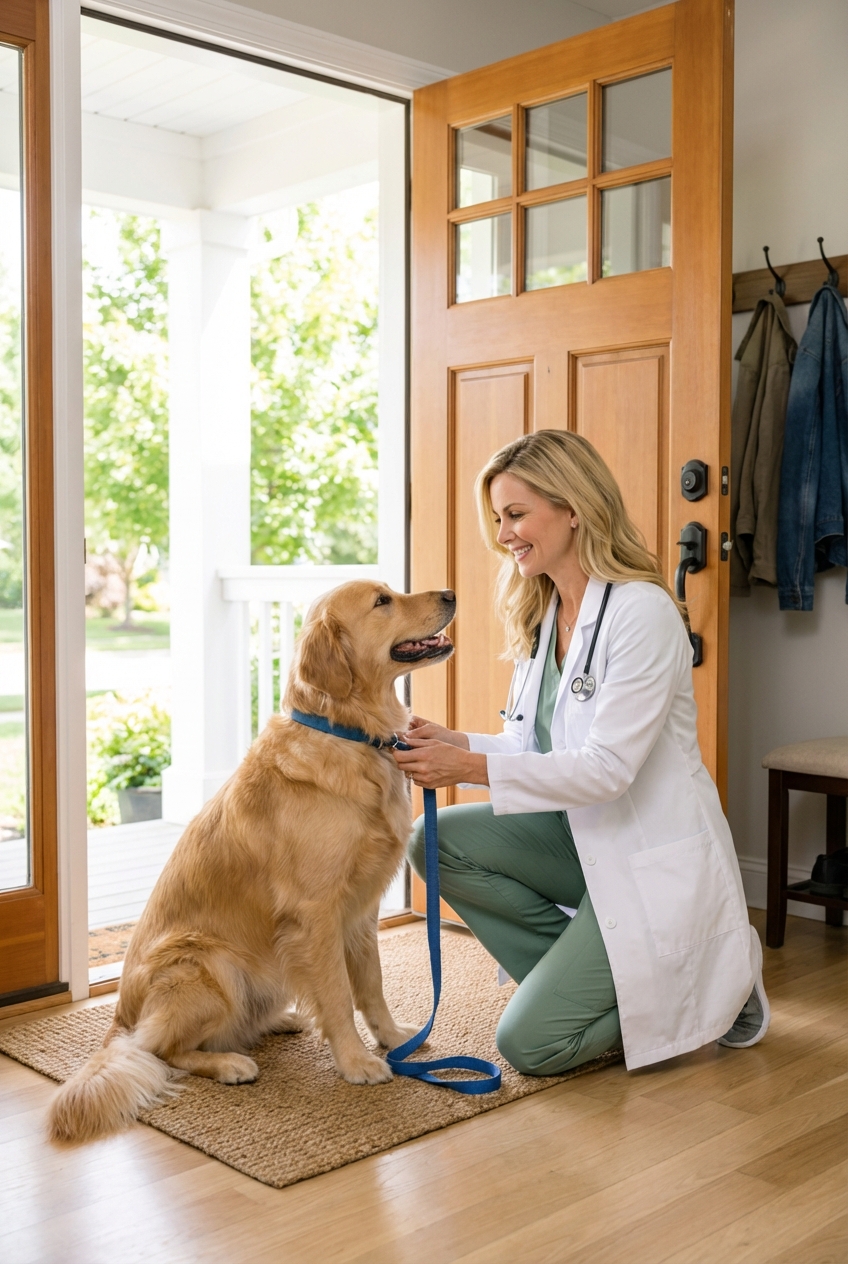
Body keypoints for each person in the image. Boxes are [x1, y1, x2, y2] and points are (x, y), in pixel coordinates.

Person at [393, 431, 769, 1076]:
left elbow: (607, 769)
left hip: (646, 853)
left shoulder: (641, 613)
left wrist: (470, 768)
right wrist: (456, 742)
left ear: (573, 508)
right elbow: (526, 746)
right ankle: (605, 980)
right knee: (434, 839)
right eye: (498, 519)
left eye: (516, 515)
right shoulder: (545, 615)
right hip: (579, 841)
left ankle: (713, 989)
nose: (504, 534)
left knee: (530, 1046)